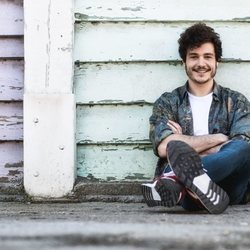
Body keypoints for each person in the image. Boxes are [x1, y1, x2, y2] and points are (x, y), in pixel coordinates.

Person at [141, 23, 250, 214]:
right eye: (193, 57)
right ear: (184, 62)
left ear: (217, 62)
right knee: (188, 193)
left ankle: (175, 177)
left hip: (228, 188)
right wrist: (220, 139)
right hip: (189, 198)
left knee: (243, 148)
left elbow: (242, 144)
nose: (201, 63)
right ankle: (190, 185)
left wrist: (187, 147)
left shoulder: (236, 101)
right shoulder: (168, 102)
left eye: (208, 56)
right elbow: (165, 147)